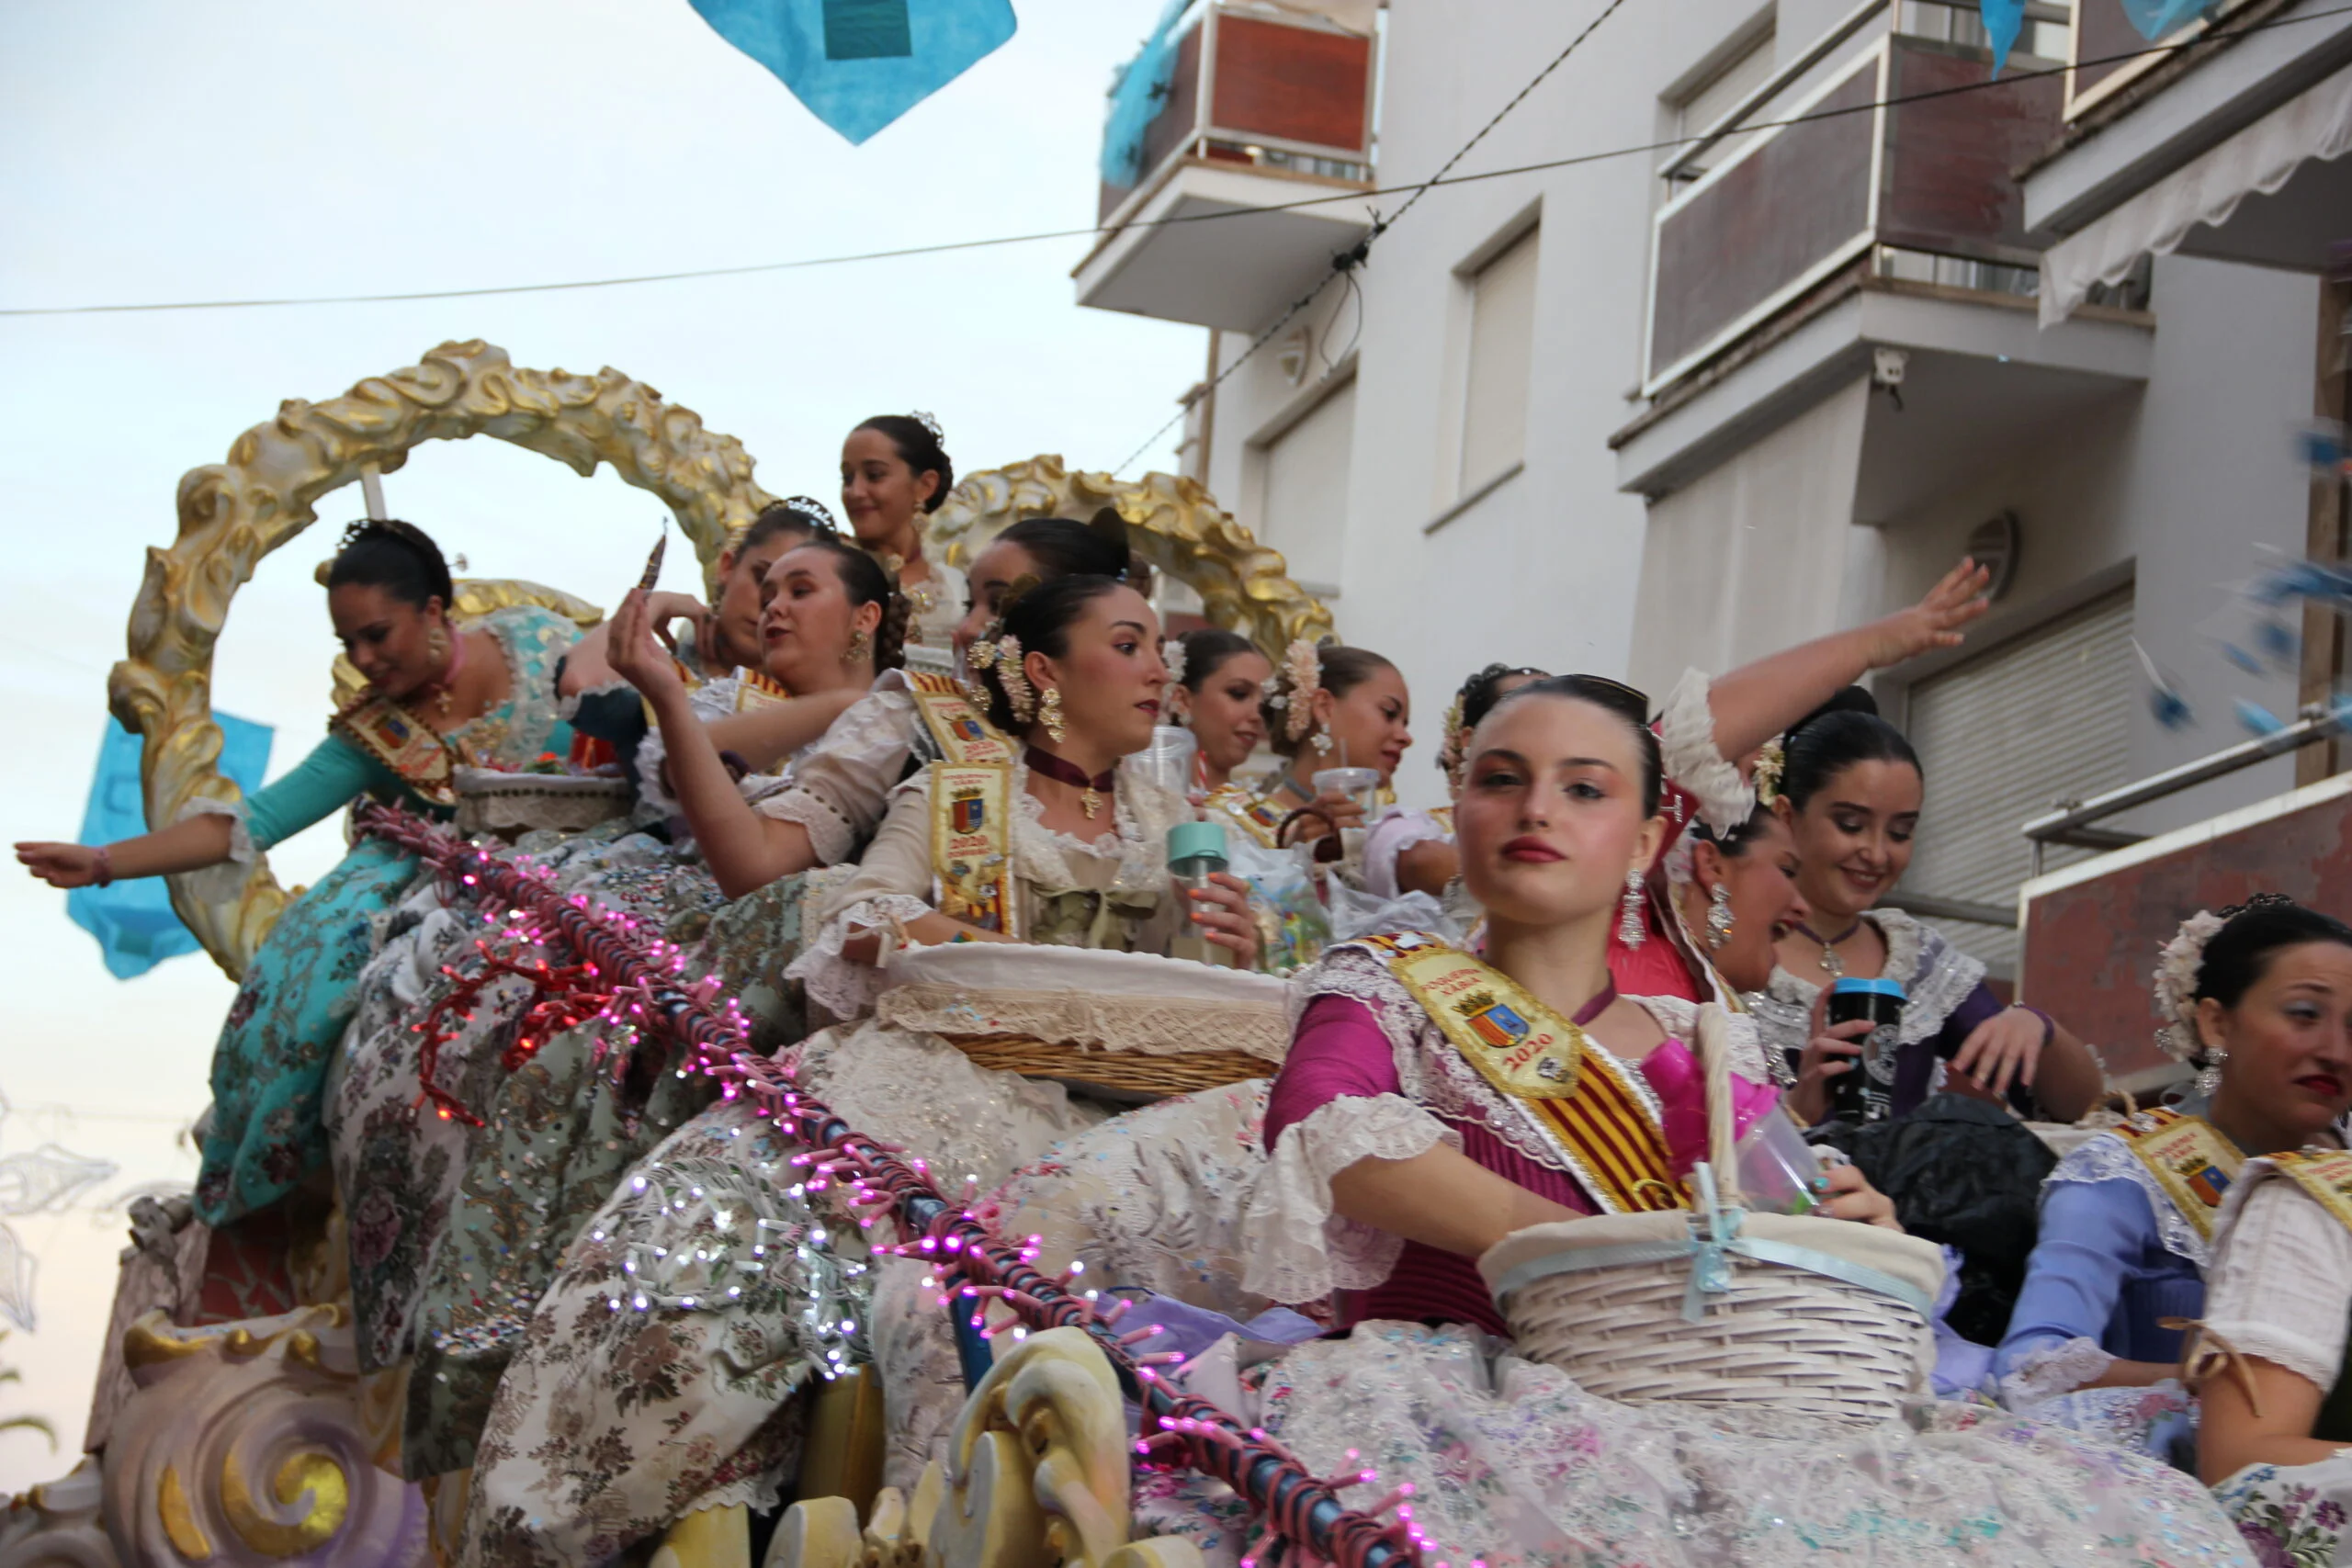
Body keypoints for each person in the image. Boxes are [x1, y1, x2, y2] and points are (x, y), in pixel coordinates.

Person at [1122, 674, 2251, 1568]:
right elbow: (1330, 1128)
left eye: (1584, 788)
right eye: (1500, 779)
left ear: (1649, 842)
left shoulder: (1695, 1045)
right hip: (1451, 1387)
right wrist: (1579, 1251)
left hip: (1694, 1408)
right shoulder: (1383, 981)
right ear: (1457, 808)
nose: (1535, 810)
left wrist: (1840, 1225)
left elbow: (1776, 1216)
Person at [462, 574, 1261, 1566]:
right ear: (1047, 671)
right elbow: (862, 911)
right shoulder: (962, 789)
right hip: (936, 1072)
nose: (1158, 671)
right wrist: (983, 954)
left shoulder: (1176, 823)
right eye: (1133, 644)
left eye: (1158, 652)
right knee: (719, 1219)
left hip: (1106, 1113)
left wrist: (1236, 938)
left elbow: (1203, 1000)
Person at [323, 531, 909, 1479]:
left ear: (870, 616)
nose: (770, 605)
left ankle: (519, 1373)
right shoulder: (750, 696)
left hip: (754, 944)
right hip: (667, 892)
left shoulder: (891, 716)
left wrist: (690, 701)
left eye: (799, 588)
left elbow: (746, 851)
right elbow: (632, 727)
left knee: (561, 1048)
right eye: (762, 587)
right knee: (439, 985)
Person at [17, 519, 579, 1227]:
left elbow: (640, 680)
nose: (366, 657)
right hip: (454, 898)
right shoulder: (376, 734)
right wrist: (105, 861)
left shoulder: (540, 640)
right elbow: (246, 825)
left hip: (590, 869)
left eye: (378, 634)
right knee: (311, 968)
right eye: (351, 643)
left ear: (434, 610)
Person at [1998, 897, 2352, 1461]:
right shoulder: (2124, 1174)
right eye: (2304, 1013)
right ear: (2216, 1022)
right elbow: (2033, 1365)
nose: (2336, 1050)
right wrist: (2203, 1382)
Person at [684, 515, 1136, 889]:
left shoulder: (1145, 781)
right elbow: (758, 867)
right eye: (970, 604)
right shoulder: (911, 719)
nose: (966, 629)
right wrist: (668, 699)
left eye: (997, 605)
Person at [1758, 689, 2108, 1125]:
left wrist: (2038, 1027)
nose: (1877, 853)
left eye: (1901, 833)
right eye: (1851, 825)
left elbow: (2082, 1110)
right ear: (1788, 816)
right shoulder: (1739, 954)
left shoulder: (1917, 960)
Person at [840, 413, 967, 655]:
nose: (855, 492)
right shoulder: (825, 573)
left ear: (925, 485)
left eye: (874, 475)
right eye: (847, 478)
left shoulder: (959, 590)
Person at [1165, 626, 1272, 803]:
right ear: (1183, 700)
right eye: (1238, 693)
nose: (1257, 716)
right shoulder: (1141, 801)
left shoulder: (1262, 813)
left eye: (1265, 704)